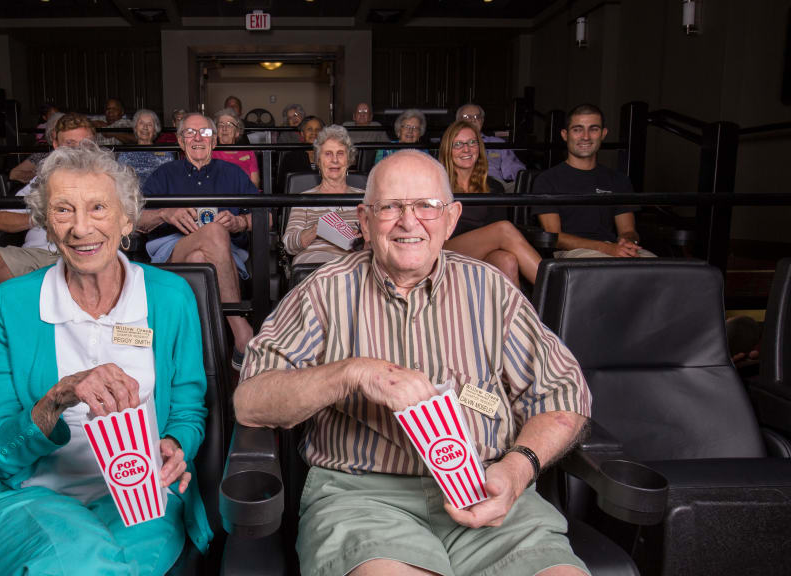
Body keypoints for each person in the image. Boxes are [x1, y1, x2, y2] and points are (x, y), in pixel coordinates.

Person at [235, 150, 592, 576]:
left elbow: (564, 394)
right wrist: (351, 373)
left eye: (426, 206)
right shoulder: (323, 293)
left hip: (491, 494)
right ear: (365, 222)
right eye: (390, 207)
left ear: (452, 218)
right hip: (363, 501)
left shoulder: (491, 290)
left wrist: (517, 469)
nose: (409, 222)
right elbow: (250, 399)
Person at [0, 141, 212, 575]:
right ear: (46, 225)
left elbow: (187, 406)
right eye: (63, 210)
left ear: (127, 218)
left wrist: (176, 445)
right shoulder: (11, 304)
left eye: (98, 209)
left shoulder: (170, 298)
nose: (81, 228)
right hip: (29, 494)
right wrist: (58, 396)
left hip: (139, 492)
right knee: (83, 564)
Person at [0, 113, 97, 352]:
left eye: (84, 145)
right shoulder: (39, 181)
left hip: (86, 254)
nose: (77, 152)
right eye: (70, 145)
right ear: (55, 145)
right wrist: (39, 217)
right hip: (38, 255)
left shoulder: (106, 179)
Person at [138, 113, 260, 369]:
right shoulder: (164, 174)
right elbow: (134, 221)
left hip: (226, 254)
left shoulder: (233, 173)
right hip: (173, 248)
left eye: (204, 133)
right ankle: (241, 333)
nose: (197, 138)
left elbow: (267, 217)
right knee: (214, 233)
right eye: (189, 133)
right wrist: (164, 213)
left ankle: (200, 358)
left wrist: (241, 223)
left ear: (214, 141)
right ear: (181, 142)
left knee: (201, 258)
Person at [532, 104, 656, 258]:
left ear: (603, 134)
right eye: (577, 129)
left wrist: (629, 241)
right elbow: (555, 237)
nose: (585, 136)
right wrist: (605, 248)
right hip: (571, 253)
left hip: (613, 249)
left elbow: (628, 230)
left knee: (655, 265)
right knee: (606, 268)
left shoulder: (618, 180)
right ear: (565, 135)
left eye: (593, 129)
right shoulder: (547, 180)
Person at [440, 120, 542, 286]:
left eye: (472, 142)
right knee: (504, 229)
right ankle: (557, 292)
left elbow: (497, 236)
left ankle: (520, 312)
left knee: (507, 260)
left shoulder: (493, 186)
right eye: (458, 144)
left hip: (482, 252)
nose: (466, 149)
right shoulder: (438, 185)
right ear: (447, 150)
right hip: (446, 250)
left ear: (479, 148)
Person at [282, 125, 364, 265]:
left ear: (349, 160)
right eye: (328, 154)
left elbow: (379, 240)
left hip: (353, 263)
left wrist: (364, 238)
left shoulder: (364, 197)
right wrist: (316, 229)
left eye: (340, 153)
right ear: (318, 161)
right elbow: (289, 245)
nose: (335, 160)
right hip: (314, 264)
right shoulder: (304, 199)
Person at [456, 103, 527, 192]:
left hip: (495, 185)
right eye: (467, 117)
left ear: (482, 121)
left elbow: (515, 168)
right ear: (458, 121)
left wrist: (523, 178)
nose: (472, 120)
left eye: (477, 117)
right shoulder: (450, 142)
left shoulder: (497, 143)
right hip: (461, 184)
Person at [117, 109, 175, 184]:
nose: (145, 127)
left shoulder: (166, 155)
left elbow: (170, 182)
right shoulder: (124, 155)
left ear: (155, 130)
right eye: (141, 123)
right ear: (135, 127)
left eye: (150, 124)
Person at [10, 111, 64, 184]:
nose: (61, 133)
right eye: (57, 129)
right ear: (50, 135)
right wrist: (40, 175)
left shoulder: (77, 152)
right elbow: (13, 174)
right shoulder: (43, 153)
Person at [212, 108, 260, 187]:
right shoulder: (210, 153)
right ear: (217, 131)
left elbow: (255, 184)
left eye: (229, 125)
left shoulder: (248, 152)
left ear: (237, 132)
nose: (224, 128)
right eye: (221, 125)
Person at [344, 102, 390, 172]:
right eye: (359, 112)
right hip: (349, 167)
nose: (362, 114)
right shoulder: (345, 127)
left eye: (365, 112)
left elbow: (387, 149)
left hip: (373, 167)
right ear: (354, 116)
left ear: (370, 117)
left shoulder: (377, 127)